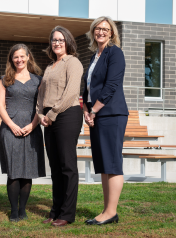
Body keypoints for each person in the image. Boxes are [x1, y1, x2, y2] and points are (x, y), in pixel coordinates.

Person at [83, 16, 129, 225]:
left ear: (111, 33)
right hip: (97, 114)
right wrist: (86, 109)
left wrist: (94, 110)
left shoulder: (115, 53)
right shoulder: (94, 56)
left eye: (105, 29)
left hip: (111, 114)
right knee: (103, 163)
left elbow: (111, 86)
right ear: (93, 32)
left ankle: (111, 212)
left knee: (112, 162)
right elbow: (88, 87)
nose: (101, 32)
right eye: (97, 29)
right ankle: (106, 210)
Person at [37, 26, 83, 227]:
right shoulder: (50, 66)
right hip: (48, 117)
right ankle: (55, 211)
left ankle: (67, 213)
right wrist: (40, 114)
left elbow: (72, 92)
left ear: (68, 42)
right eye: (54, 40)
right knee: (55, 167)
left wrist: (53, 114)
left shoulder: (72, 62)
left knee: (67, 166)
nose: (57, 43)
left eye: (61, 40)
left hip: (66, 115)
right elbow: (41, 93)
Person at [0, 44, 46, 222]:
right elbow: (0, 106)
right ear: (11, 59)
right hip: (10, 130)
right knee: (14, 171)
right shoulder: (4, 80)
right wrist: (11, 125)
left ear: (28, 57)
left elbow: (41, 106)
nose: (19, 60)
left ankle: (23, 209)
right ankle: (13, 210)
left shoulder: (38, 80)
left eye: (22, 56)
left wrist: (33, 125)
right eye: (15, 57)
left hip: (32, 130)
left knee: (27, 171)